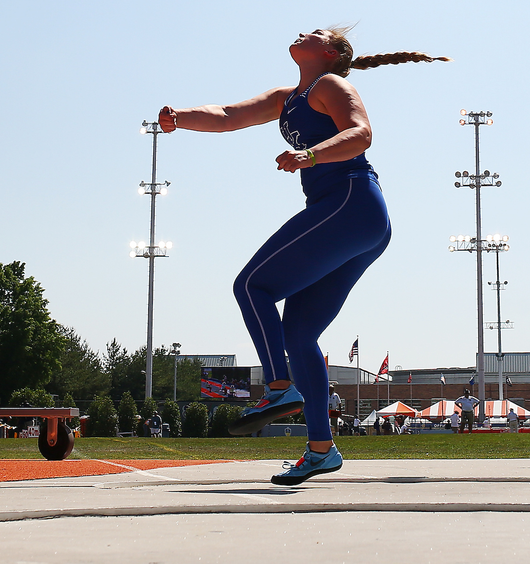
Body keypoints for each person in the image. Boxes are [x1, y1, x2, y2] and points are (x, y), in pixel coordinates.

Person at [159, 26, 449, 484]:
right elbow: (228, 115)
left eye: (313, 32)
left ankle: (278, 387)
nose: (300, 32)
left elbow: (361, 134)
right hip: (352, 219)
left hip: (351, 203)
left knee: (252, 285)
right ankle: (321, 449)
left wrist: (309, 156)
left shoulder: (331, 85)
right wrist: (181, 116)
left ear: (330, 52)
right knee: (297, 331)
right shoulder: (286, 97)